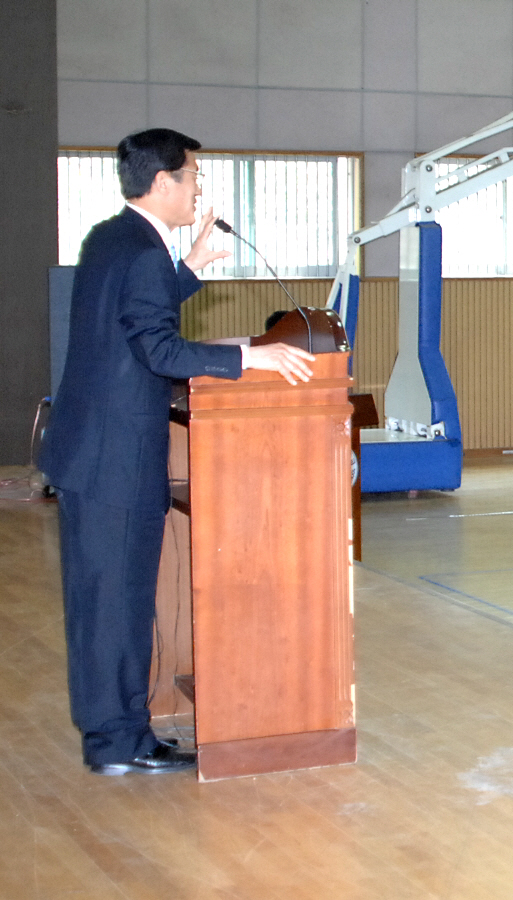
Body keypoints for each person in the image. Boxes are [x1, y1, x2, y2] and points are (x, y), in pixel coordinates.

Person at [41, 128, 315, 776]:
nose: (198, 189)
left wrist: (188, 268)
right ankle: (120, 743)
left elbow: (133, 317)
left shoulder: (112, 237)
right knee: (117, 607)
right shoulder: (140, 252)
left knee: (102, 604)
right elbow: (158, 348)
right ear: (162, 181)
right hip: (114, 461)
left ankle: (112, 735)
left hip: (89, 453)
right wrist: (251, 357)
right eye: (193, 176)